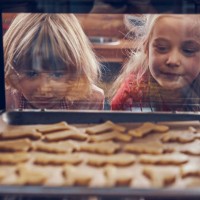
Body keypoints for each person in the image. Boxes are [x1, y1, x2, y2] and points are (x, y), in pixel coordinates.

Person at [4, 13, 104, 110]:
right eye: (32, 73)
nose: (44, 89)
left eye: (57, 74)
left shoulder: (90, 100)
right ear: (13, 68)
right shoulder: (6, 98)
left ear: (75, 70)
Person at [110, 14, 200, 111]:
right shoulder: (130, 95)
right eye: (162, 48)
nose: (172, 60)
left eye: (188, 50)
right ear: (146, 48)